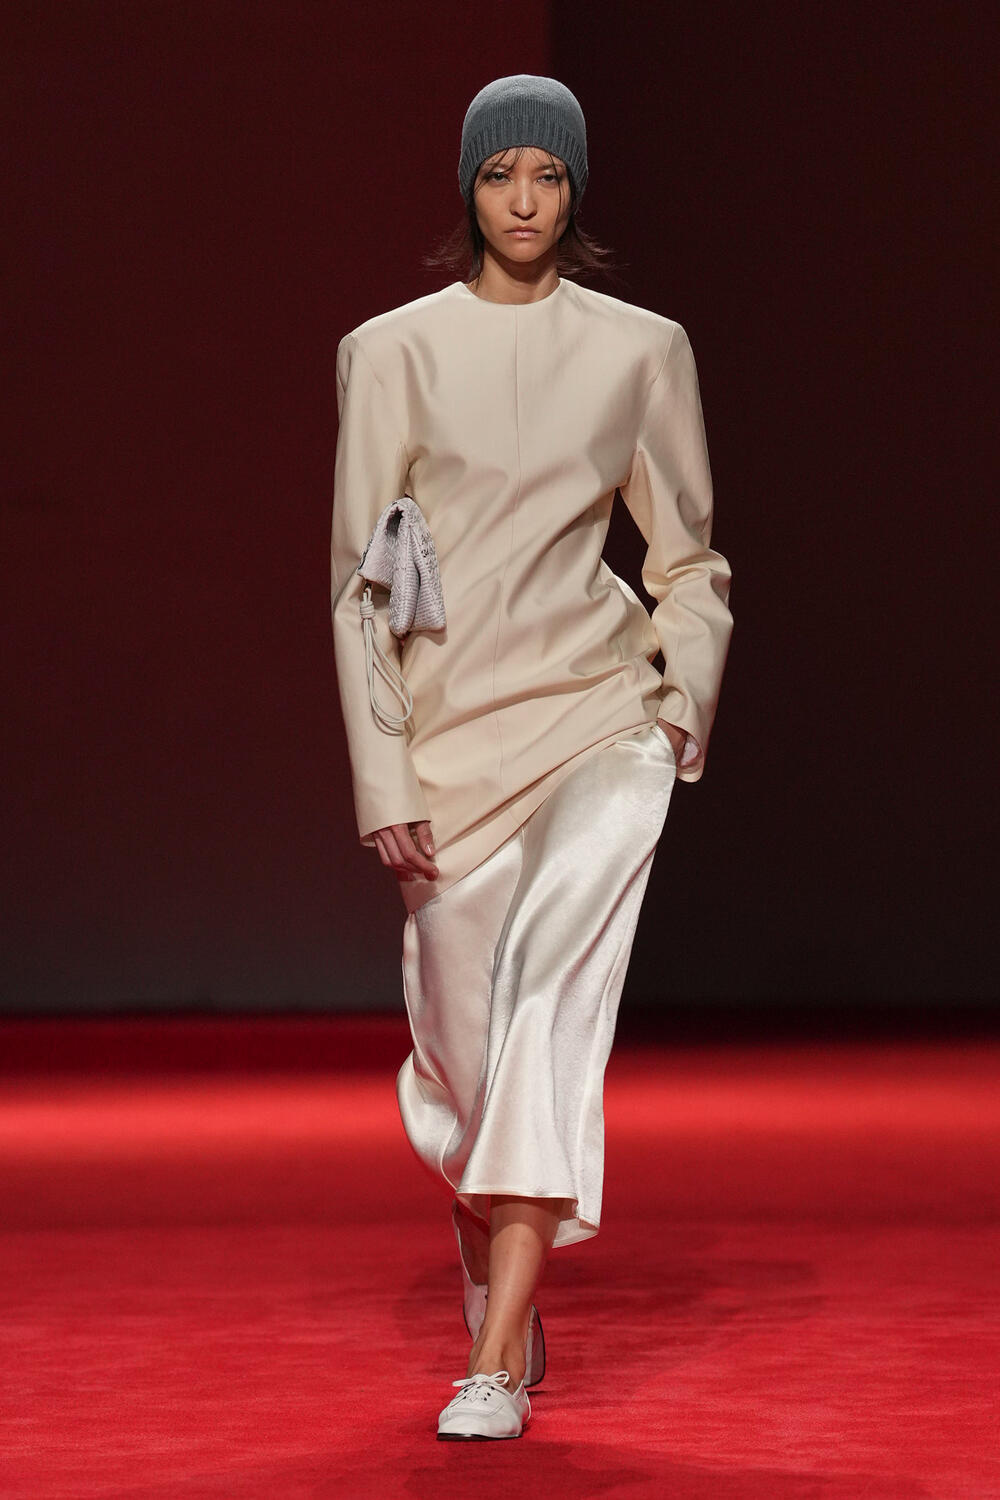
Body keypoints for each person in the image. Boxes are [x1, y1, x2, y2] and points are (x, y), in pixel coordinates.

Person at [330, 74, 734, 1441]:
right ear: (468, 186)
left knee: (550, 1004)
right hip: (451, 744)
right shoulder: (390, 353)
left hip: (596, 720)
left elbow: (688, 557)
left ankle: (495, 1354)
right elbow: (360, 589)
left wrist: (677, 706)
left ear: (575, 191)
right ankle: (486, 1219)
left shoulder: (642, 350)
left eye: (547, 175)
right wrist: (384, 775)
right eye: (500, 173)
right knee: (463, 1062)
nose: (522, 199)